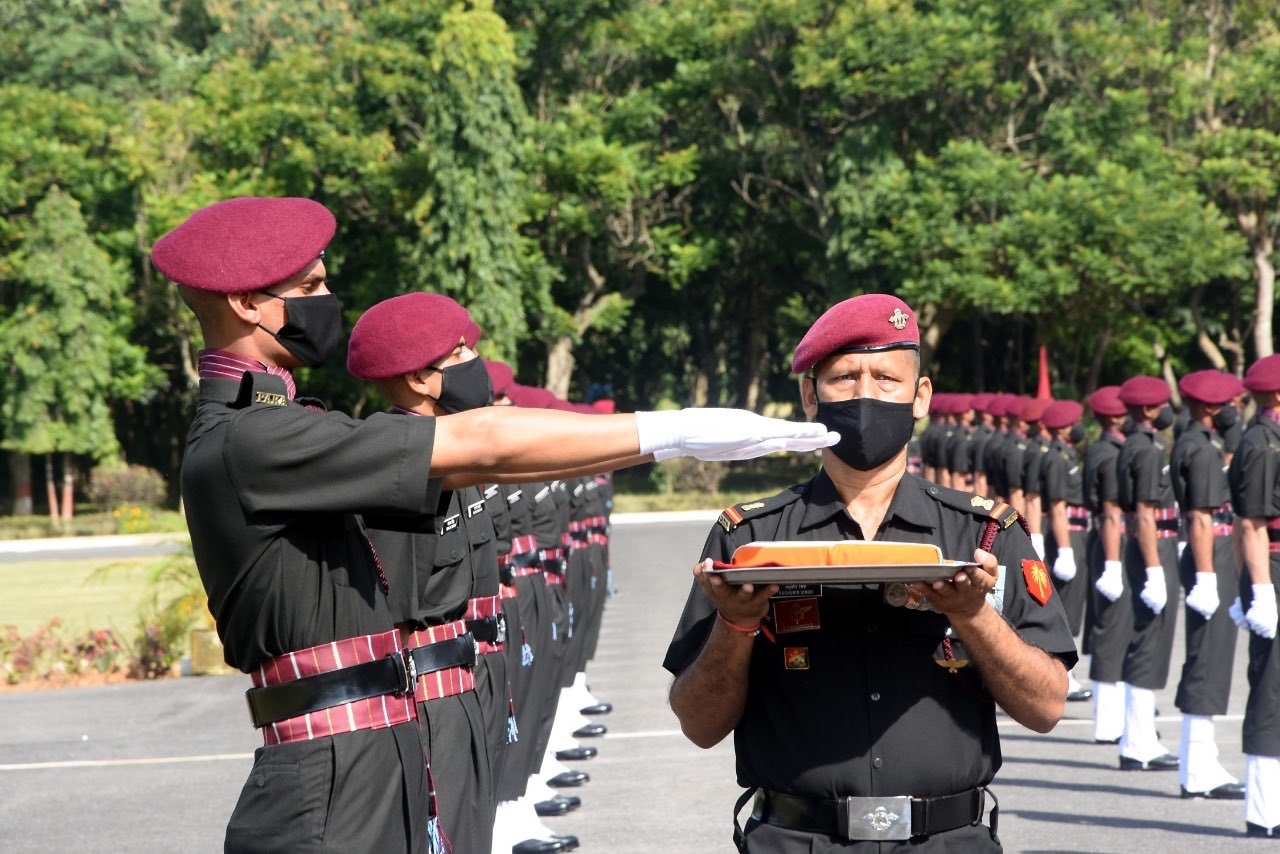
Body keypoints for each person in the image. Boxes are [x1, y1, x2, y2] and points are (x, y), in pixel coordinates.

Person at [151, 196, 836, 854]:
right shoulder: (251, 439)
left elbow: (486, 468)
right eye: (312, 284)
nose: (326, 300)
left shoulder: (289, 429)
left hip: (373, 754)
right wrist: (672, 432)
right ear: (246, 303)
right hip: (328, 775)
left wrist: (655, 440)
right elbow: (481, 445)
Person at [663, 293, 1076, 853]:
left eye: (886, 378)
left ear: (920, 396)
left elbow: (1047, 706)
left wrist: (972, 614)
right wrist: (736, 625)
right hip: (796, 840)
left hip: (946, 841)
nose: (866, 395)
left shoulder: (984, 536)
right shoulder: (750, 540)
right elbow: (698, 723)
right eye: (844, 378)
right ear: (811, 396)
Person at [1170, 369, 1248, 800]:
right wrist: (1204, 577)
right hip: (1208, 554)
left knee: (1212, 658)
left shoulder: (1201, 443)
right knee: (1207, 659)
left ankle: (1201, 761)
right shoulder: (1199, 450)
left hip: (1211, 552)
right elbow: (1201, 517)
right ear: (1211, 407)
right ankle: (1198, 767)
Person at [1113, 376, 1180, 772]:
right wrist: (1155, 568)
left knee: (1145, 639)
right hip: (1152, 547)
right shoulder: (1149, 449)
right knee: (1150, 642)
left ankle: (1138, 737)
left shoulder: (1132, 445)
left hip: (1145, 546)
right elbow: (1144, 512)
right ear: (1151, 410)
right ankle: (1138, 742)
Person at [1227, 354, 1280, 837]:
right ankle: (1265, 808)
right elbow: (1252, 523)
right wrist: (1259, 590)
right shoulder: (1264, 444)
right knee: (1270, 686)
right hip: (1276, 570)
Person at [1083, 386, 1131, 744]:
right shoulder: (1112, 455)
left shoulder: (1100, 448)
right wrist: (1114, 564)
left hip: (1103, 541)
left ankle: (1112, 716)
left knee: (1109, 627)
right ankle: (1110, 720)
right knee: (1113, 629)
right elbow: (1113, 513)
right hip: (1112, 544)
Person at [1039, 399, 1092, 702]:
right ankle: (1063, 676)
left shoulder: (1066, 454)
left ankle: (1067, 674)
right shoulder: (1057, 459)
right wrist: (1066, 551)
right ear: (1062, 429)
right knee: (1065, 610)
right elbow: (1058, 508)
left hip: (1074, 533)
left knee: (1071, 609)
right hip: (1066, 536)